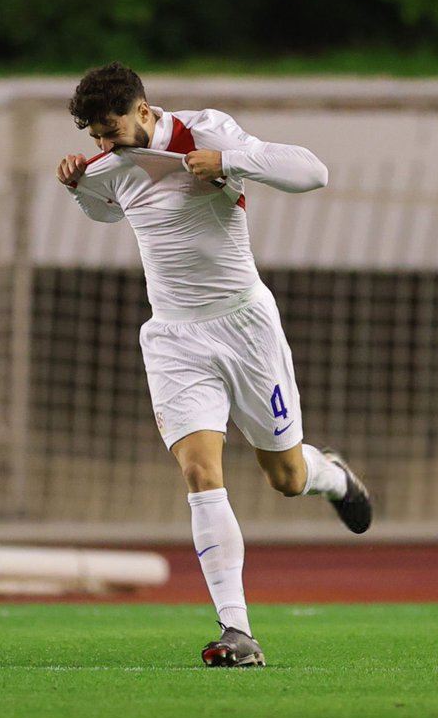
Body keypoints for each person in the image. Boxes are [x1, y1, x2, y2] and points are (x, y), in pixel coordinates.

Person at [55, 62, 372, 668]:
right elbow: (107, 209)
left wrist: (231, 165)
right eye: (92, 137)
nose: (103, 144)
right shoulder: (111, 163)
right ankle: (238, 630)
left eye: (110, 130)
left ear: (143, 112)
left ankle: (329, 473)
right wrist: (77, 185)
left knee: (286, 478)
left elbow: (313, 172)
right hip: (174, 337)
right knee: (201, 472)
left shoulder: (209, 134)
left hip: (246, 328)